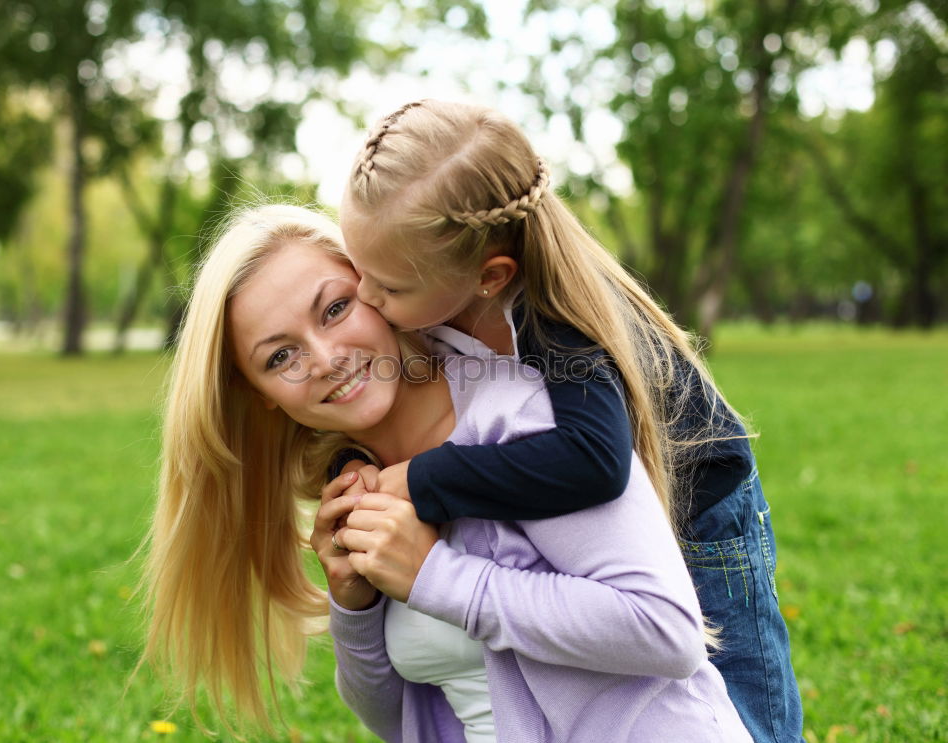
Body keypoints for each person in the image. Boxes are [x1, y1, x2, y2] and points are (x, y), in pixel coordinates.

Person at [140, 203, 752, 742]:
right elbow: (400, 718)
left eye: (334, 308)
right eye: (280, 356)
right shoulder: (358, 483)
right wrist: (355, 605)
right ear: (261, 394)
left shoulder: (522, 417)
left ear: (375, 289)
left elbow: (666, 630)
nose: (325, 360)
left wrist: (437, 576)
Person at [334, 99, 802, 743]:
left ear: (489, 277)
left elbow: (593, 461)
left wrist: (424, 479)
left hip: (704, 508)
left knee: (744, 710)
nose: (365, 297)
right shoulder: (439, 276)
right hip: (612, 522)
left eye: (387, 286)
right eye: (357, 271)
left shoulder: (558, 321)